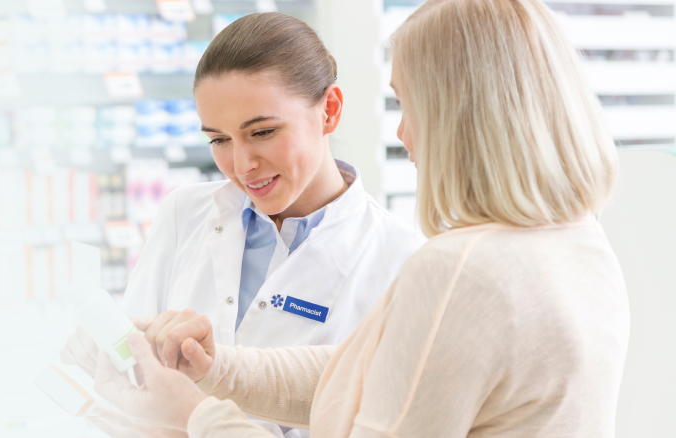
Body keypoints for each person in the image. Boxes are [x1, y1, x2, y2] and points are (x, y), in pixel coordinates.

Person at [89, 0, 629, 436]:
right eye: (218, 139)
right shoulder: (582, 246)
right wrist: (216, 369)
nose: (404, 135)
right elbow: (366, 371)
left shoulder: (456, 271)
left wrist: (195, 414)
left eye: (409, 106)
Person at [59, 12, 423, 438]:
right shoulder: (184, 214)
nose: (241, 165)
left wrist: (195, 417)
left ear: (330, 110)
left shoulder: (401, 260)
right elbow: (133, 387)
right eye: (218, 140)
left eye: (263, 132)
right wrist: (107, 355)